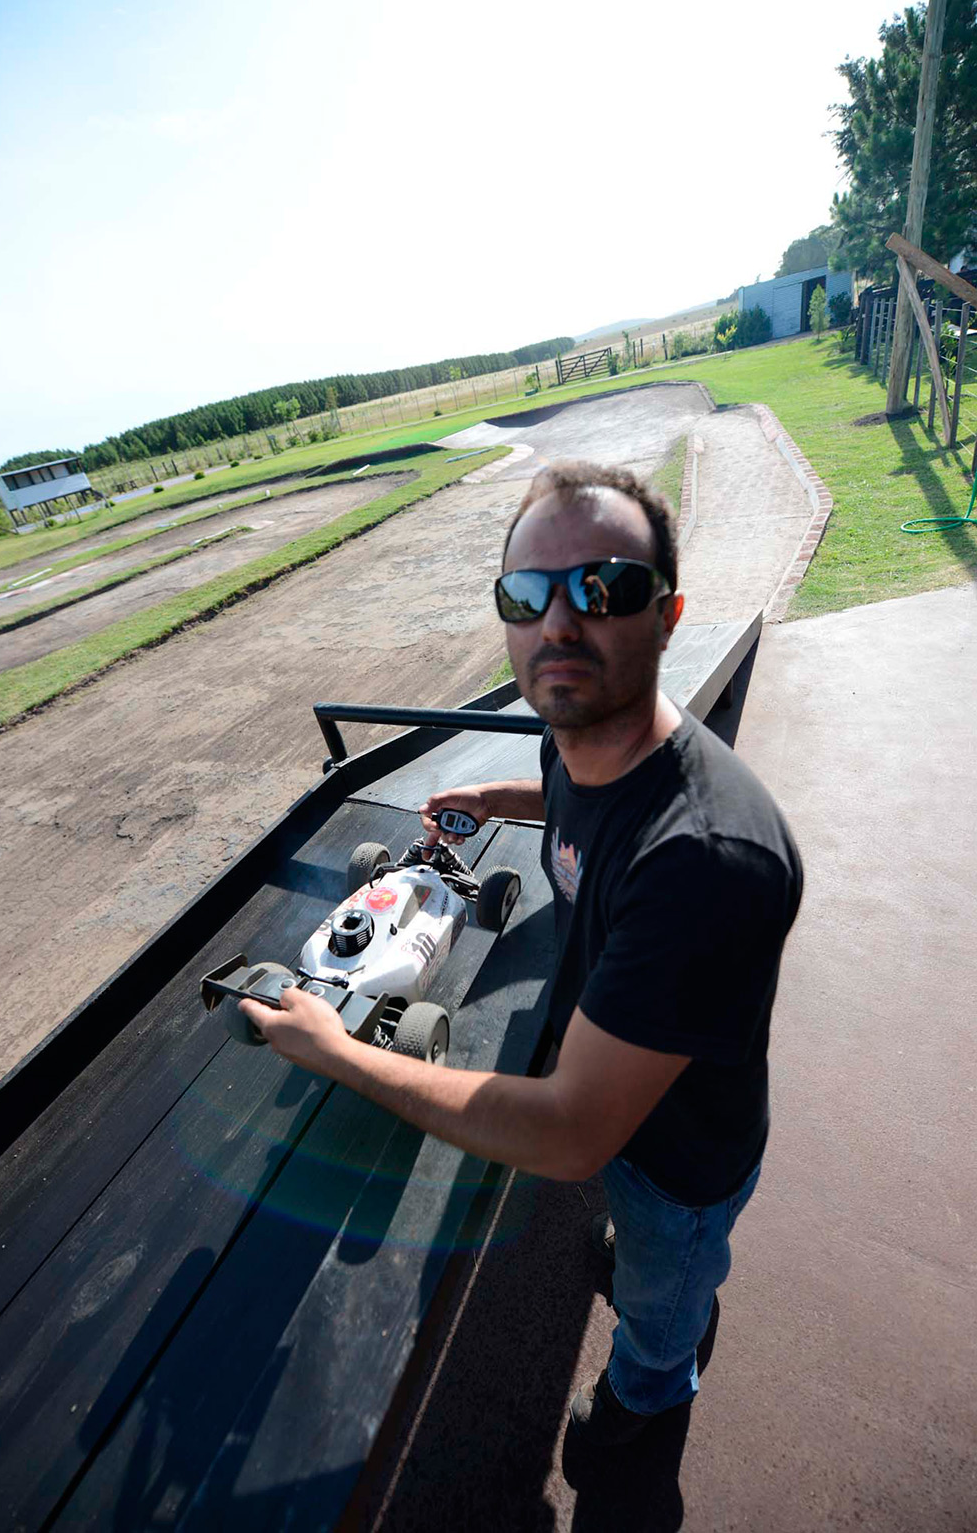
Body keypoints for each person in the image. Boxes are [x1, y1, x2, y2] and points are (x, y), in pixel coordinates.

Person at [240, 459, 803, 1446]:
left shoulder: (706, 861)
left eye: (605, 587)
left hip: (682, 1156)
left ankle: (648, 1393)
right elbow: (581, 796)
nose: (559, 624)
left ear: (667, 617)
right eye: (526, 594)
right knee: (638, 1237)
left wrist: (339, 1054)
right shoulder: (575, 730)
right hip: (628, 1113)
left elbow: (569, 1133)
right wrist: (496, 798)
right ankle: (649, 1278)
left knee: (663, 1290)